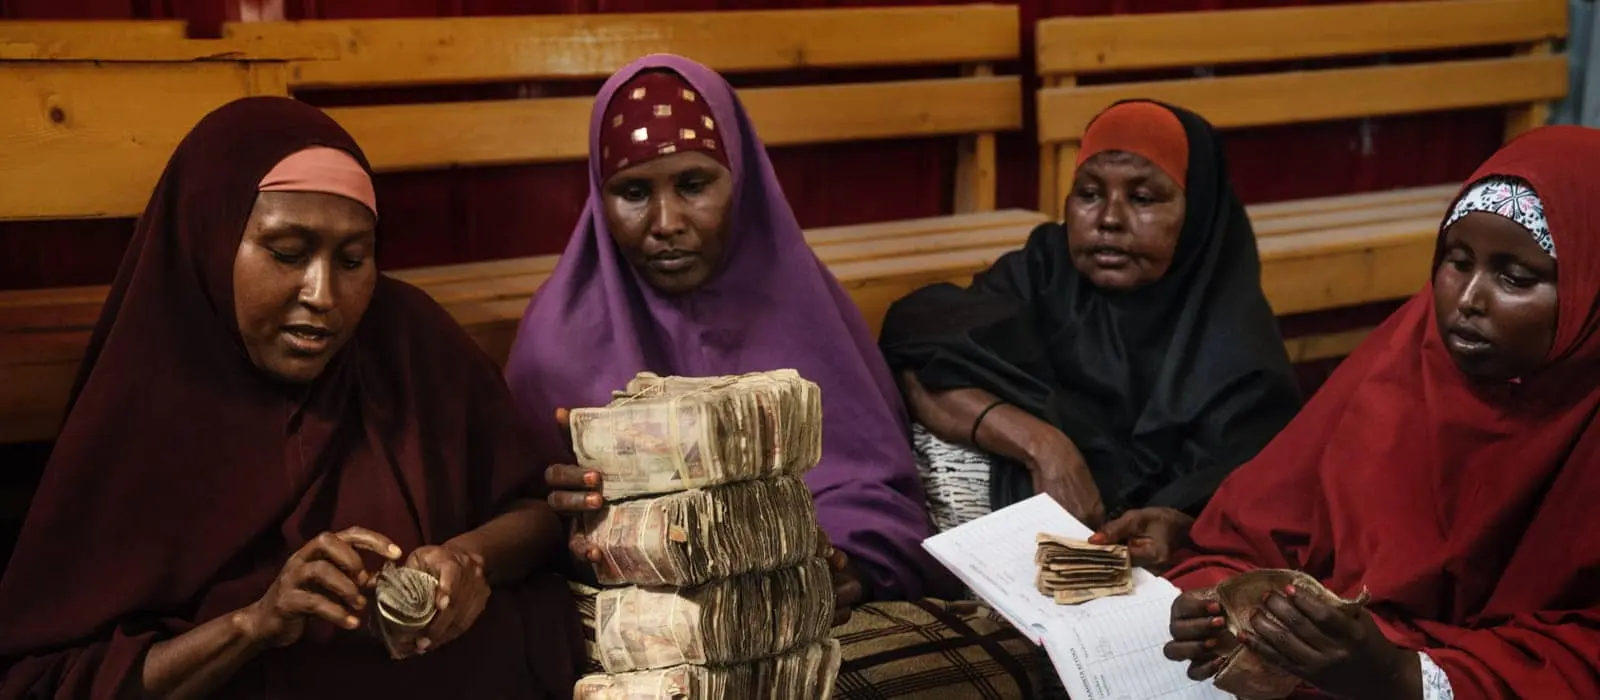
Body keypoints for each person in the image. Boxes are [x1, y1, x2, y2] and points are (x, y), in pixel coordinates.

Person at [0, 97, 580, 699]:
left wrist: (467, 559)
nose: (323, 294)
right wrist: (255, 624)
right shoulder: (145, 395)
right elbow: (46, 682)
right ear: (212, 238)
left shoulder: (406, 340)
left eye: (353, 259)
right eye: (287, 253)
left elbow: (535, 514)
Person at [505, 55, 1040, 698]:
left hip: (812, 618)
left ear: (745, 183)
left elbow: (878, 491)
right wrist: (575, 525)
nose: (667, 223)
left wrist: (847, 564)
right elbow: (522, 527)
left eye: (695, 184)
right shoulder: (556, 343)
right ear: (599, 198)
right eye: (634, 193)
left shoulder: (803, 310)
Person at [1162, 125, 1600, 700]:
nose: (1467, 300)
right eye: (1456, 260)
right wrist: (1218, 604)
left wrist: (1400, 676)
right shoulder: (1410, 356)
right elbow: (1249, 533)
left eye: (1514, 278)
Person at [878, 100, 1301, 553]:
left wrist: (1178, 528)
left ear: (1197, 212)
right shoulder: (1046, 272)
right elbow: (917, 350)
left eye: (1142, 198)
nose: (1110, 220)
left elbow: (1256, 495)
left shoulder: (1239, 356)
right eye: (1090, 194)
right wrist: (1044, 445)